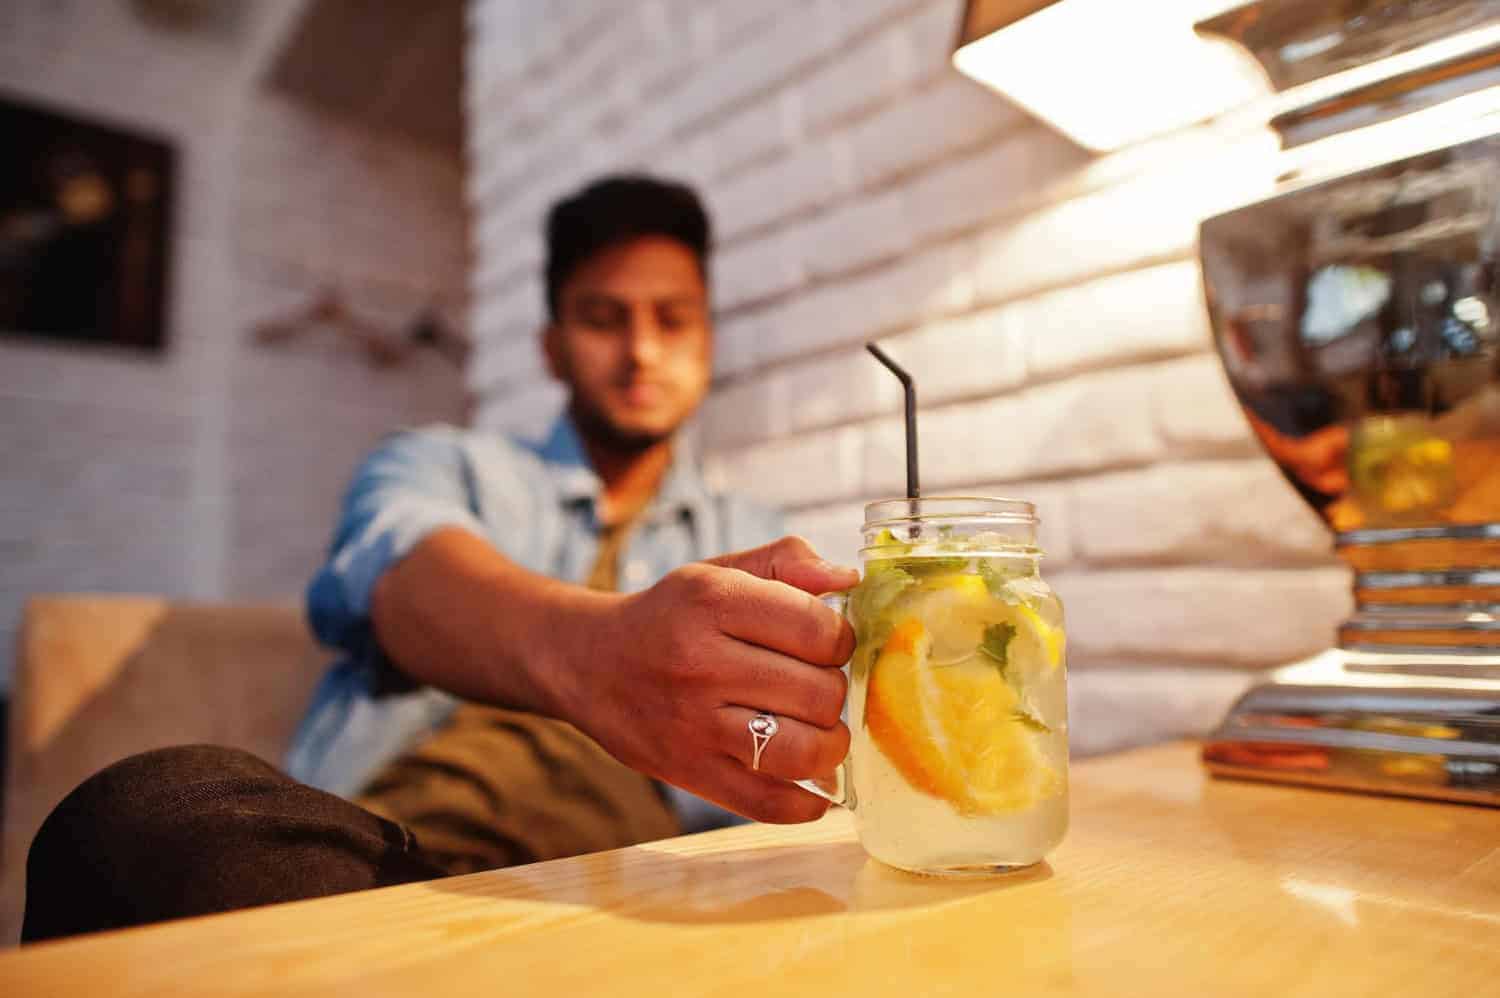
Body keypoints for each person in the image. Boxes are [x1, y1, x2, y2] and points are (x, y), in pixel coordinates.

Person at [22, 175, 856, 942]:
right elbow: (405, 571)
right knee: (140, 818)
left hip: (620, 906)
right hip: (384, 869)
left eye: (672, 319)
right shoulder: (441, 465)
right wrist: (599, 657)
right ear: (552, 347)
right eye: (603, 318)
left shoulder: (759, 538)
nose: (641, 351)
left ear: (708, 338)